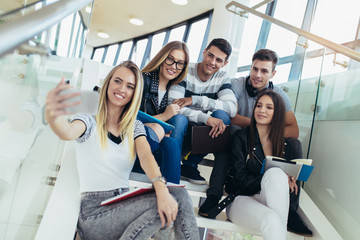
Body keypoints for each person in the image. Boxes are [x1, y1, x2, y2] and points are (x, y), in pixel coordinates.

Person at [45, 61, 200, 240]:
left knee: (173, 198)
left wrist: (160, 187)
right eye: (117, 81)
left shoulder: (135, 126)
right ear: (108, 83)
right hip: (94, 214)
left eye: (130, 86)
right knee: (172, 199)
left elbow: (145, 155)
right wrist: (53, 113)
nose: (122, 89)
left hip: (124, 204)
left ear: (135, 93)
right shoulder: (89, 121)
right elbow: (67, 132)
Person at [199, 49, 311, 236]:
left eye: (264, 71)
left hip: (267, 189)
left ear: (273, 74)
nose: (258, 75)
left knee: (283, 163)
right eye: (254, 69)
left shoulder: (280, 95)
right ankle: (215, 191)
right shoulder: (235, 85)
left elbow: (294, 130)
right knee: (233, 131)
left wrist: (268, 128)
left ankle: (291, 209)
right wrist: (256, 125)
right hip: (238, 155)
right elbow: (226, 116)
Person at [228, 90, 311, 239]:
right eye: (259, 106)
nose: (262, 110)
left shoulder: (287, 145)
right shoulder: (242, 138)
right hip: (241, 198)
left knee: (277, 175)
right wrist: (270, 179)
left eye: (269, 107)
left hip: (271, 200)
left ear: (277, 113)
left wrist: (288, 182)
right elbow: (240, 180)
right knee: (272, 219)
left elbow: (291, 191)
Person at [168, 38, 237, 184]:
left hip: (201, 137)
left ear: (225, 64)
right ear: (204, 52)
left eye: (219, 60)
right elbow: (172, 107)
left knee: (223, 117)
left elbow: (232, 108)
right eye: (210, 55)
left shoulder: (222, 77)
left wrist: (196, 100)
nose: (212, 62)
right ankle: (171, 168)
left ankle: (190, 165)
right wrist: (205, 118)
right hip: (180, 129)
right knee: (179, 118)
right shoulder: (186, 70)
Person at [132, 41, 189, 184]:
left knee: (171, 143)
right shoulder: (142, 80)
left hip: (155, 148)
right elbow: (130, 119)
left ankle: (172, 197)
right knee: (159, 131)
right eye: (170, 59)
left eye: (180, 63)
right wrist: (164, 117)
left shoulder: (176, 91)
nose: (174, 67)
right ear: (162, 58)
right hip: (135, 145)